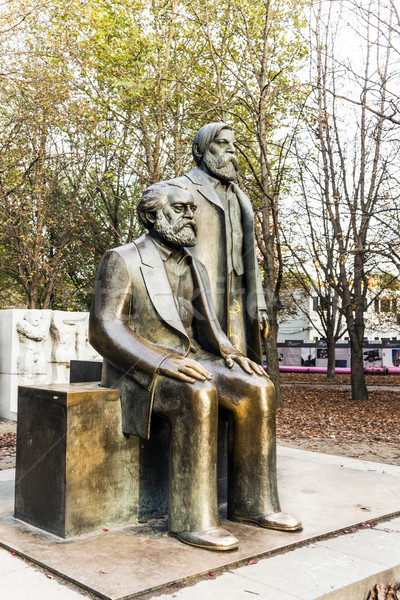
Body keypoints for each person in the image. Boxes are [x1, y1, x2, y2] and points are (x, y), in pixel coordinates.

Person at [89, 182, 301, 552]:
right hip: (140, 369)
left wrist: (230, 352)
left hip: (193, 360)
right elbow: (104, 329)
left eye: (192, 209)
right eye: (183, 209)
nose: (192, 215)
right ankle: (194, 519)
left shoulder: (195, 265)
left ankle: (255, 505)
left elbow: (207, 327)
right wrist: (162, 361)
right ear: (153, 216)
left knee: (257, 387)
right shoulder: (120, 260)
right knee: (198, 392)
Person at [169, 123, 268, 362]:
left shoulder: (240, 197)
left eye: (234, 146)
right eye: (222, 144)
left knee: (241, 369)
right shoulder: (180, 189)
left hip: (238, 298)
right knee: (202, 370)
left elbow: (250, 259)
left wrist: (260, 303)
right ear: (200, 150)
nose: (231, 152)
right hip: (199, 296)